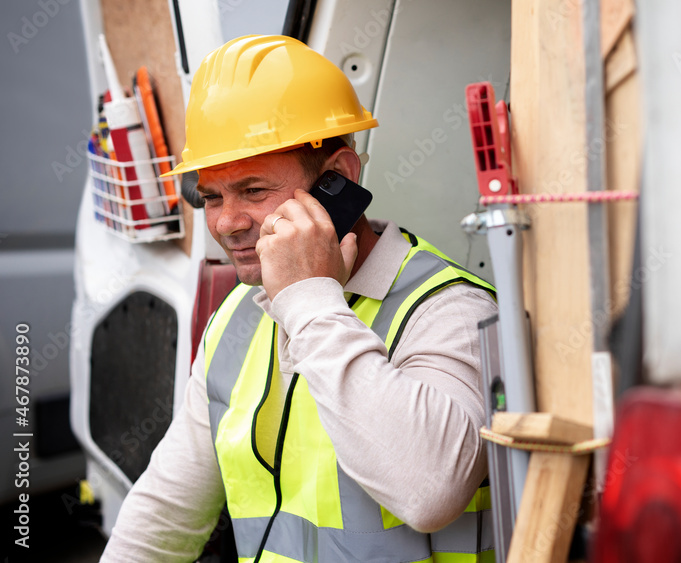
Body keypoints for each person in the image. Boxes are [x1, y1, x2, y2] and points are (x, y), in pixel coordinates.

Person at [100, 35, 497, 562]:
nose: (227, 222)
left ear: (338, 180)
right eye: (212, 196)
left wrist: (310, 297)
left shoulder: (452, 310)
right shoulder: (236, 319)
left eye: (254, 190)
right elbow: (163, 515)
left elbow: (429, 491)